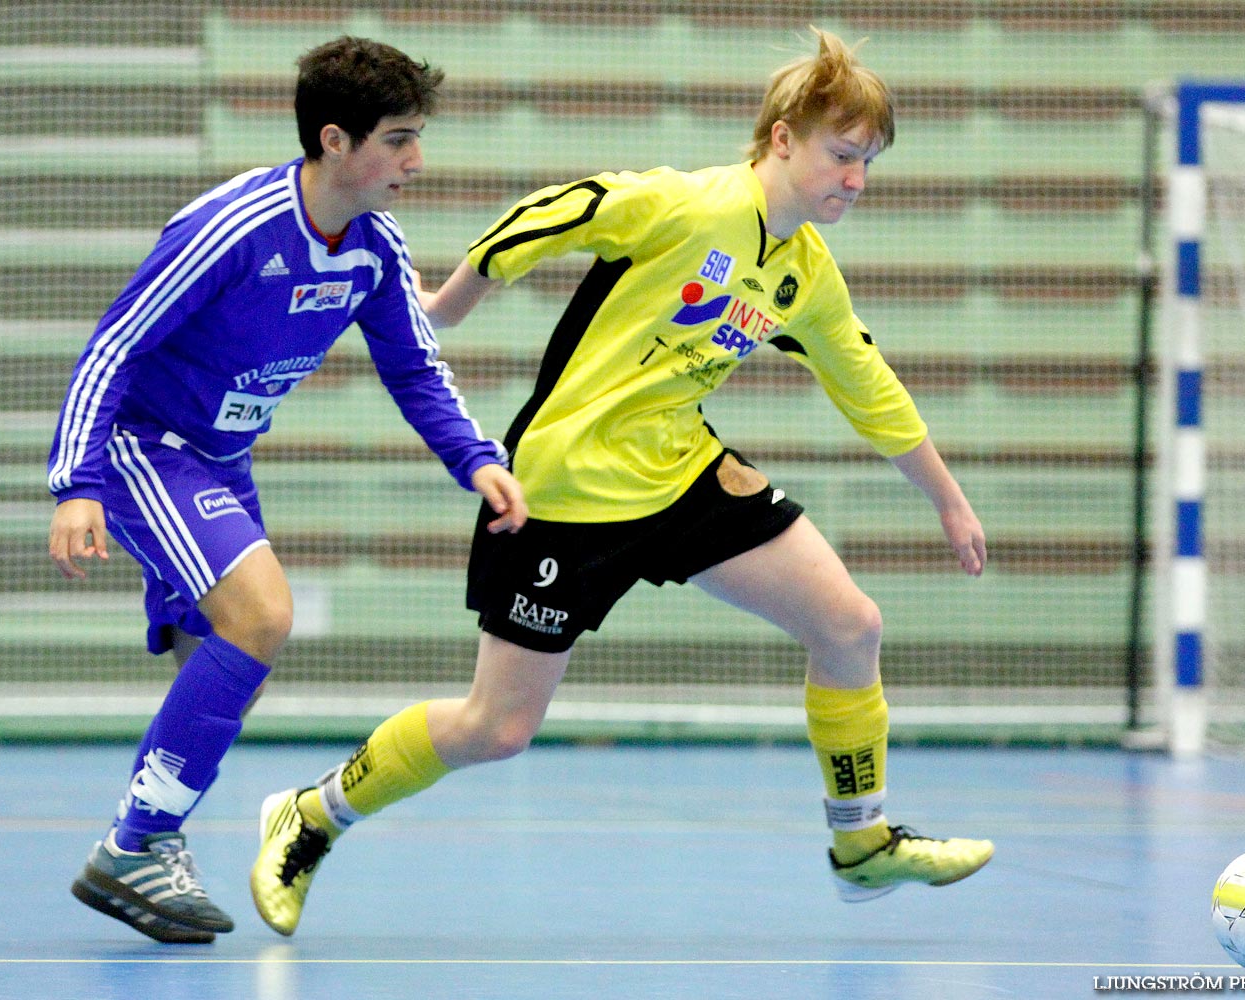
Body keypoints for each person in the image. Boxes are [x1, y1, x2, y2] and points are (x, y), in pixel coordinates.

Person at [249, 27, 993, 938]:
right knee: (495, 729)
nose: (854, 180)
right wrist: (445, 304)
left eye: (867, 163)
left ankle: (861, 843)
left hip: (682, 474)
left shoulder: (802, 276)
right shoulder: (683, 205)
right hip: (565, 494)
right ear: (783, 137)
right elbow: (557, 211)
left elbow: (867, 385)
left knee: (850, 626)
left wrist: (948, 500)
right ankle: (311, 814)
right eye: (842, 155)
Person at [47, 36, 526, 943]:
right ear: (336, 141)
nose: (415, 161)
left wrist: (477, 459)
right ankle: (135, 844)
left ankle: (148, 840)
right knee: (263, 617)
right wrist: (78, 485)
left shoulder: (374, 247)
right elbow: (114, 346)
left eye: (418, 137)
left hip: (221, 461)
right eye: (398, 139)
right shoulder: (231, 229)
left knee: (230, 661)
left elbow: (415, 370)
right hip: (147, 447)